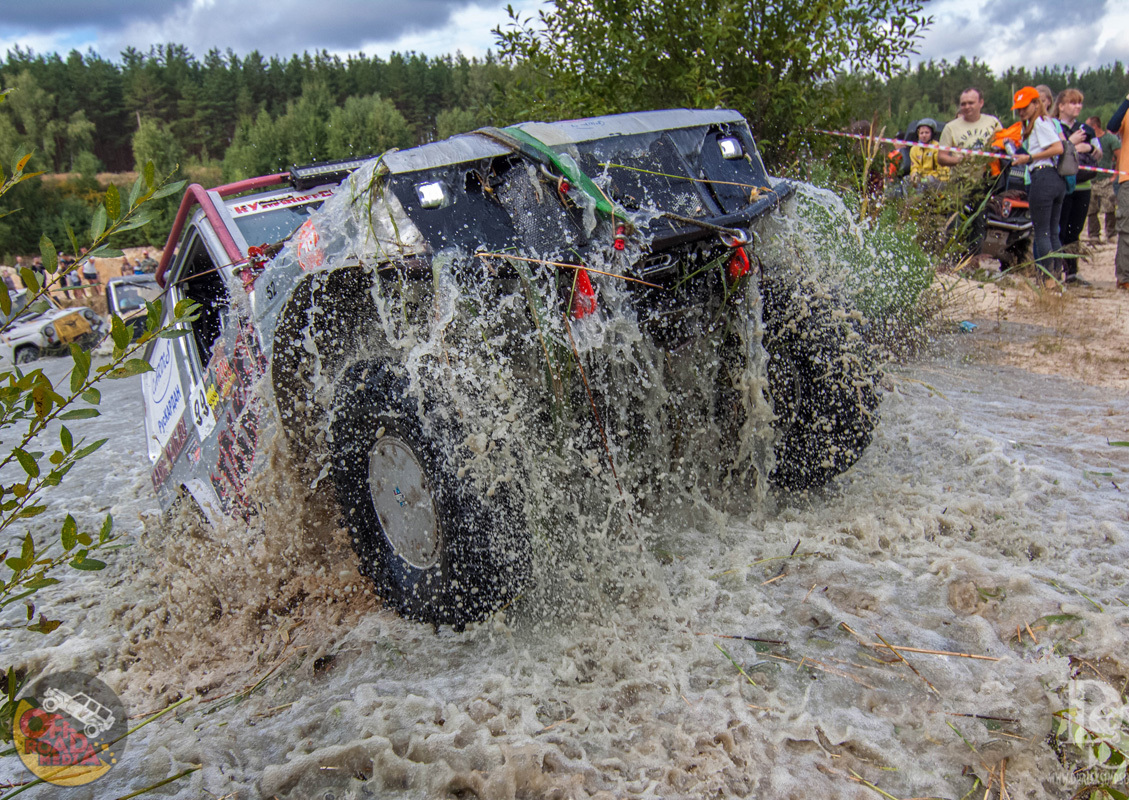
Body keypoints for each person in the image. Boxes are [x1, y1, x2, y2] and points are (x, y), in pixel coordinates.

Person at [1011, 86, 1066, 287]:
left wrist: (1030, 157)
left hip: (1043, 176)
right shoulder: (1045, 123)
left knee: (1042, 232)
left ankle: (1047, 280)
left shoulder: (1040, 124)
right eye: (1019, 109)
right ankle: (1056, 277)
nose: (1021, 112)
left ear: (1036, 104)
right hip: (1054, 178)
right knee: (1052, 232)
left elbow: (1058, 147)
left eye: (1025, 107)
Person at [1052, 89, 1101, 285]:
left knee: (1076, 230)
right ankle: (1055, 270)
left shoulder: (1086, 129)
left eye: (1080, 103)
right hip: (1063, 185)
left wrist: (1087, 147)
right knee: (1059, 229)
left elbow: (1098, 152)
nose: (1077, 107)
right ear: (1061, 106)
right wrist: (1071, 145)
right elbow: (1055, 150)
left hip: (1084, 185)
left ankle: (1072, 272)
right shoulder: (1054, 126)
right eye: (1073, 103)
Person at [938, 88, 1002, 168]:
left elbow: (1002, 145)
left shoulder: (993, 122)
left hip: (990, 177)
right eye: (963, 104)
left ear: (981, 103)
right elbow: (941, 158)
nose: (967, 107)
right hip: (962, 177)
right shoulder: (950, 127)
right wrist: (961, 160)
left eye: (971, 103)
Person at [1086, 115, 1120, 242]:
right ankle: (1093, 235)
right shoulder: (1088, 139)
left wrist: (1115, 175)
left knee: (1109, 206)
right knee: (1091, 209)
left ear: (1094, 126)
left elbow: (1119, 156)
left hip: (1105, 179)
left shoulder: (1110, 139)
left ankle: (1111, 234)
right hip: (1091, 179)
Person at [1109, 91, 1129, 290]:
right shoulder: (1127, 110)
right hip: (1128, 178)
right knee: (1127, 229)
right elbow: (1112, 127)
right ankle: (1124, 277)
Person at [909, 118, 949, 183]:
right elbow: (914, 166)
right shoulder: (914, 149)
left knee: (926, 181)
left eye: (927, 133)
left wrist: (943, 182)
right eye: (921, 133)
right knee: (906, 180)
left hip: (934, 178)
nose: (924, 135)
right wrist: (914, 174)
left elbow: (942, 167)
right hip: (921, 178)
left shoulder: (937, 147)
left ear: (932, 134)